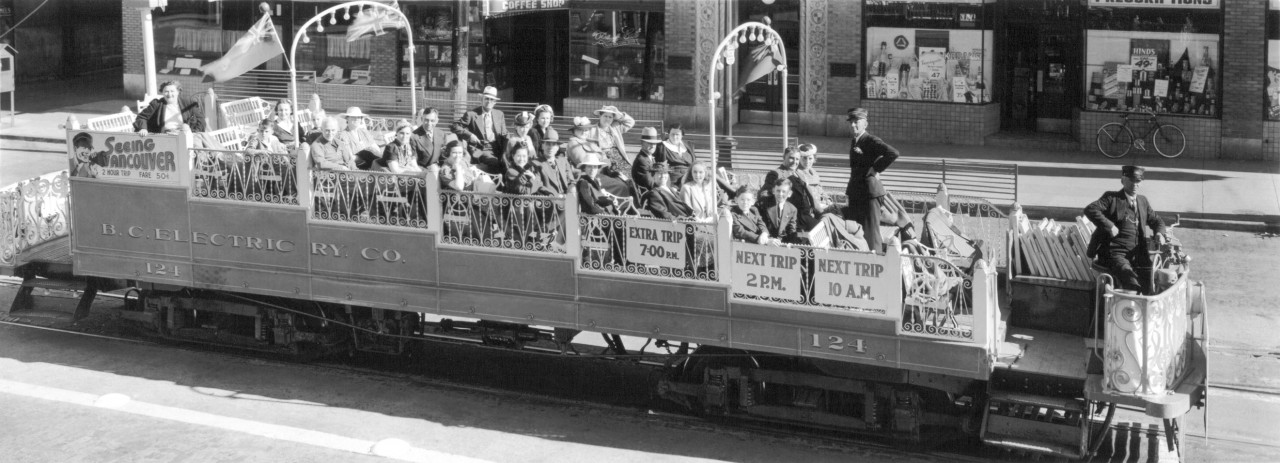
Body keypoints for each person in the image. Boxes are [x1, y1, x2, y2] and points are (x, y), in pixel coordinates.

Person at [1084, 165, 1168, 295]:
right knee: (1131, 281)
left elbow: (1157, 221)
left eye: (1137, 182)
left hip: (1138, 253)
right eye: (1131, 181)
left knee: (1153, 281)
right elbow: (1090, 209)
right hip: (1115, 253)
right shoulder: (1111, 198)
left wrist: (1159, 233)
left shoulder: (1142, 201)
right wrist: (1109, 226)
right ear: (1123, 181)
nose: (1134, 185)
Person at [845, 107, 901, 253]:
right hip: (858, 193)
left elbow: (893, 153)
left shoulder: (870, 140)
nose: (852, 125)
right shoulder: (856, 141)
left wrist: (876, 168)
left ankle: (875, 260)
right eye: (851, 122)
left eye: (856, 121)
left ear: (865, 123)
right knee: (857, 229)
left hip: (870, 194)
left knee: (871, 232)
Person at [567, 116, 633, 198]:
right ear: (574, 131)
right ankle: (618, 207)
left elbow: (603, 156)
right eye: (580, 130)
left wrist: (604, 162)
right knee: (620, 186)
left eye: (586, 129)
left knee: (625, 181)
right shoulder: (573, 143)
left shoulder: (589, 142)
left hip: (600, 172)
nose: (584, 132)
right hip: (589, 176)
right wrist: (602, 161)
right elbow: (585, 163)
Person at [450, 85, 505, 173]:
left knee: (509, 161)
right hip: (480, 149)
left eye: (491, 99)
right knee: (494, 162)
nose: (488, 101)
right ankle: (493, 186)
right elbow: (454, 126)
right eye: (486, 98)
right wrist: (470, 135)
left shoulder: (499, 114)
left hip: (497, 148)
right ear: (482, 99)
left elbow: (504, 134)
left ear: (495, 102)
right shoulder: (471, 114)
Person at [134, 80, 205, 135]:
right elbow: (141, 117)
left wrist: (193, 132)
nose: (169, 94)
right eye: (166, 91)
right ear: (162, 93)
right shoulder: (157, 104)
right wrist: (143, 128)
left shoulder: (188, 103)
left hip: (185, 135)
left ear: (178, 92)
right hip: (165, 136)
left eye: (172, 91)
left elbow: (201, 119)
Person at [587, 105, 637, 172]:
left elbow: (631, 122)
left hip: (620, 158)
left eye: (610, 117)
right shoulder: (592, 130)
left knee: (631, 175)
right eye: (605, 116)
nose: (607, 119)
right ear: (600, 116)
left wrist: (620, 114)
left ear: (613, 119)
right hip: (603, 159)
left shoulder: (615, 127)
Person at [757, 179, 801, 244]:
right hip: (766, 240)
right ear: (773, 191)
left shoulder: (792, 209)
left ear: (789, 194)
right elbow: (757, 220)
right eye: (778, 191)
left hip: (781, 243)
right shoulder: (763, 203)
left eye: (784, 191)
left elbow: (791, 229)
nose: (780, 194)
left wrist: (792, 243)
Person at [534, 131, 575, 196]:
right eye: (548, 144)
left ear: (557, 147)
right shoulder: (536, 163)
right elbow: (538, 185)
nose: (550, 147)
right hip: (548, 201)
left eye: (553, 144)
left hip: (567, 199)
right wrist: (555, 196)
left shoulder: (563, 161)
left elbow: (571, 181)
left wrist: (570, 192)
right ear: (542, 146)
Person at [655, 124, 696, 189]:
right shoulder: (662, 147)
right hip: (673, 181)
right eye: (672, 134)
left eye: (677, 134)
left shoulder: (688, 146)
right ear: (668, 134)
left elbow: (695, 163)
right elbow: (659, 167)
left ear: (682, 135)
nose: (674, 137)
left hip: (690, 178)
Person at [631, 127, 663, 193]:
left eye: (654, 143)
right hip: (648, 196)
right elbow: (650, 185)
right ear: (642, 143)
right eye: (649, 143)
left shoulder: (649, 157)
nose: (653, 146)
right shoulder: (642, 161)